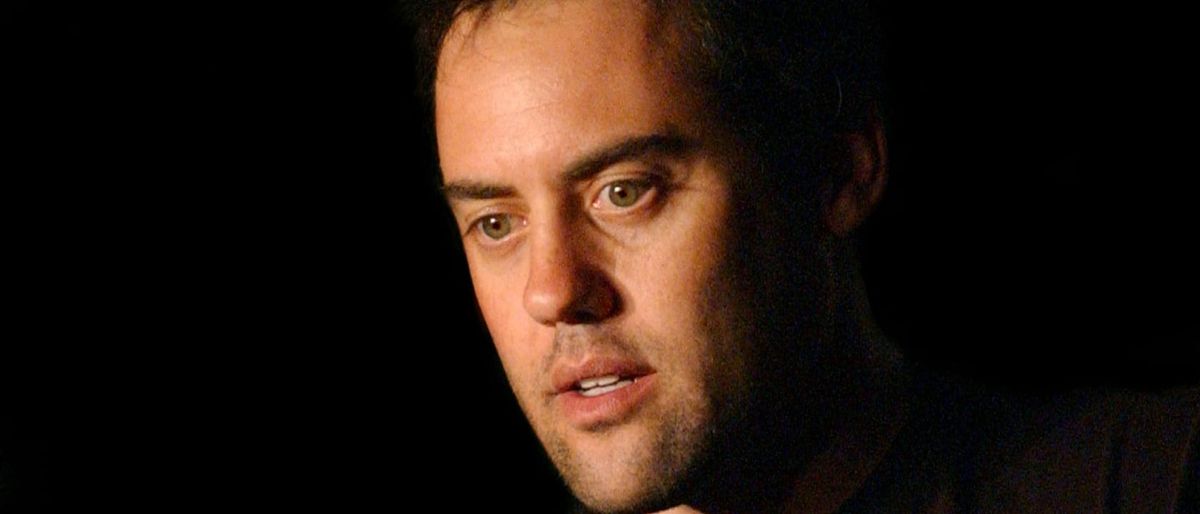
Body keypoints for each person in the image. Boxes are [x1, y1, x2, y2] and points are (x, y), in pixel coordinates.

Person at [407, 1, 1199, 512]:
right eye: (496, 224)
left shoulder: (1150, 481)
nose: (551, 291)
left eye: (625, 192)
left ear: (836, 174)